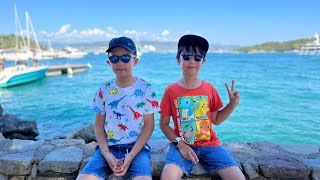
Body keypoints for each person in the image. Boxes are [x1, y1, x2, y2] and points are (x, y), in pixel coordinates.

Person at [159, 34, 245, 180]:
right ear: (178, 59)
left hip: (210, 145)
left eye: (197, 57)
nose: (192, 61)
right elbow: (164, 125)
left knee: (237, 177)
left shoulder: (209, 88)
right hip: (181, 146)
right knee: (168, 176)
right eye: (186, 56)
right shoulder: (171, 91)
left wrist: (231, 105)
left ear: (203, 61)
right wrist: (181, 145)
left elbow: (216, 119)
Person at [77, 36, 159, 180]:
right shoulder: (104, 89)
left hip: (138, 149)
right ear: (109, 62)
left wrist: (131, 156)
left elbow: (149, 126)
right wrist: (107, 154)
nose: (120, 62)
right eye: (114, 59)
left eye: (126, 58)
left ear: (135, 61)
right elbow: (98, 126)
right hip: (109, 148)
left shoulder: (146, 88)